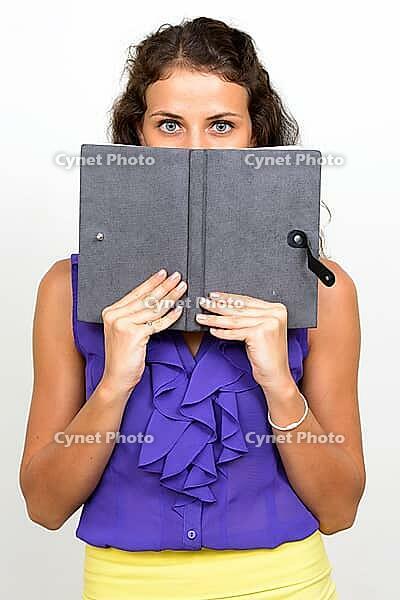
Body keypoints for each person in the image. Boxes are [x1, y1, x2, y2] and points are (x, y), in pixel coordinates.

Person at [19, 17, 365, 600]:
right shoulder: (65, 289)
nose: (196, 150)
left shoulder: (327, 291)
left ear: (255, 137)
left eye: (222, 126)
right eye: (171, 125)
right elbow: (44, 507)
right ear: (138, 134)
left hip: (286, 587)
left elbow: (340, 509)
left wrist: (279, 382)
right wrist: (114, 385)